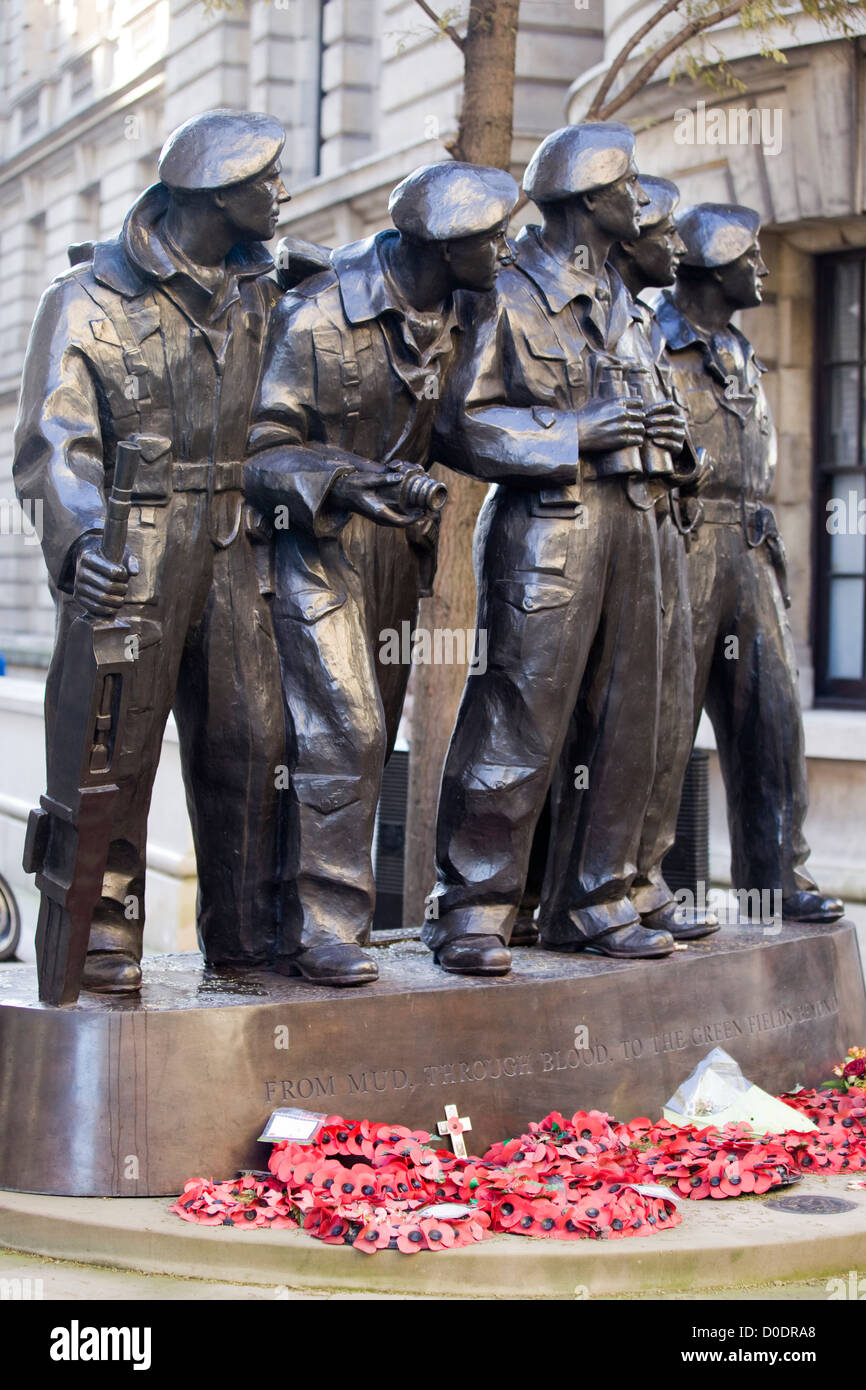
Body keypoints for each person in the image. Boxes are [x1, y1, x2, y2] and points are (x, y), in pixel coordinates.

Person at [14, 110, 292, 991]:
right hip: (135, 539)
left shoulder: (265, 291)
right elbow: (52, 443)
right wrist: (83, 536)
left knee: (254, 739)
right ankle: (102, 930)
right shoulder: (87, 298)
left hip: (234, 542)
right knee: (117, 747)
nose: (281, 194)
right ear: (215, 194)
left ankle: (249, 930)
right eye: (265, 182)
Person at [244, 161, 519, 986]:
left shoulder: (471, 313)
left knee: (371, 733)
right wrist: (351, 479)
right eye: (489, 238)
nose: (505, 249)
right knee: (346, 729)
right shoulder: (317, 313)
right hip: (314, 543)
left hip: (399, 552)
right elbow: (256, 453)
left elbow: (466, 426)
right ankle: (324, 927)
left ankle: (308, 923)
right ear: (443, 244)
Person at [423, 123, 681, 977]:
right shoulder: (506, 289)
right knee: (517, 717)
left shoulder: (628, 301)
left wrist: (669, 443)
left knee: (625, 722)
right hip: (549, 529)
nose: (640, 200)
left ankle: (595, 899)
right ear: (582, 196)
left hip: (638, 526)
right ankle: (477, 907)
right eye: (627, 184)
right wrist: (576, 430)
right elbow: (460, 423)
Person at [653, 203, 844, 923]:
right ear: (711, 265)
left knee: (771, 721)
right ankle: (642, 885)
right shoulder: (652, 341)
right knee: (662, 725)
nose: (762, 270)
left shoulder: (740, 349)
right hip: (685, 537)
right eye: (749, 257)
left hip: (752, 547)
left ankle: (776, 879)